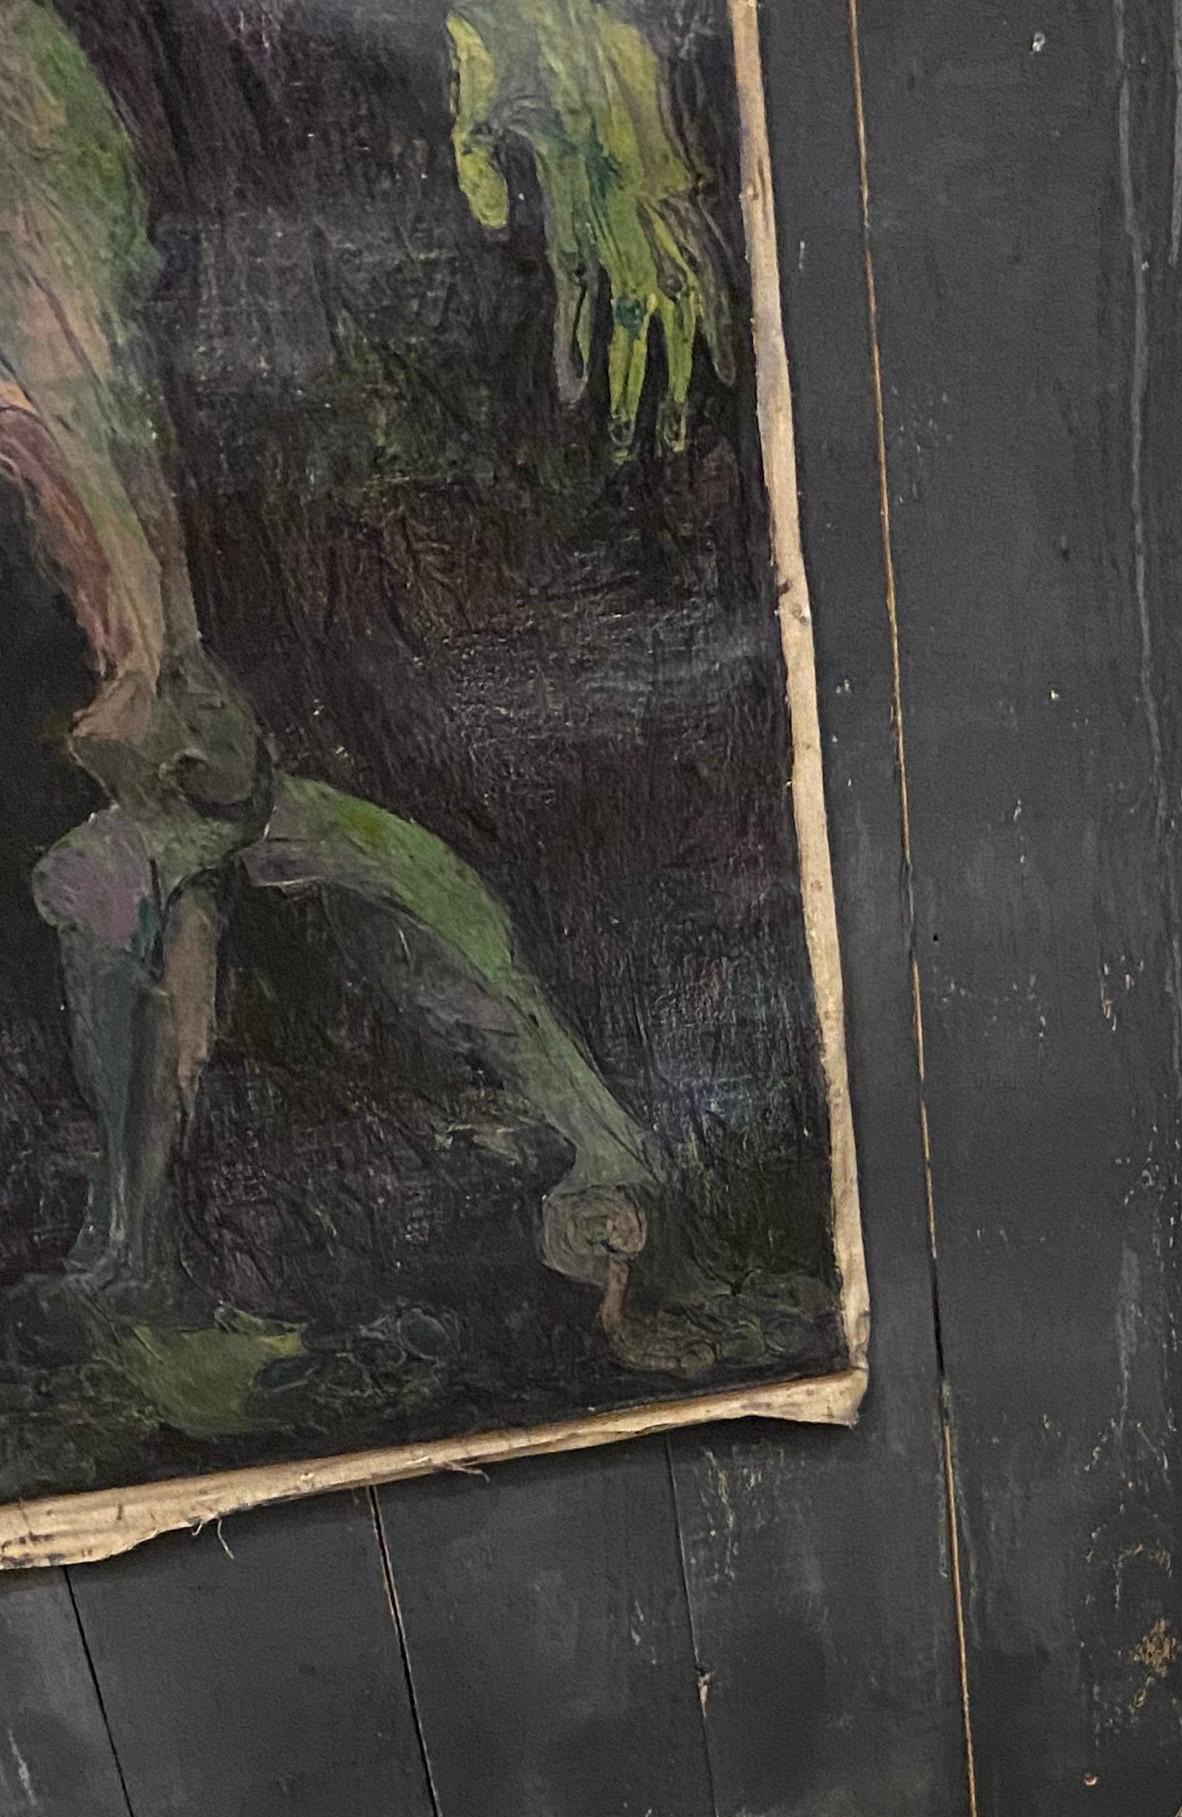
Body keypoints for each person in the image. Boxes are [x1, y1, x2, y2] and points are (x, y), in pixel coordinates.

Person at [0, 0, 731, 1348]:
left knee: (178, 835)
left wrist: (146, 644)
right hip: (138, 571)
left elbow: (77, 364)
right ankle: (136, 1256)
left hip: (173, 563)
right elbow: (69, 371)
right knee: (173, 845)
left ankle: (137, 1255)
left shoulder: (52, 104)